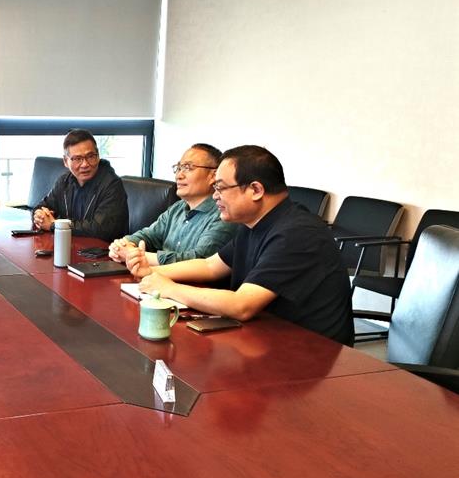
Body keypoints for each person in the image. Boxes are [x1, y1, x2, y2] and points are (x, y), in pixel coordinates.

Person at [128, 145, 354, 345]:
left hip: (307, 352)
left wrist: (170, 288)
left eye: (221, 188)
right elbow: (210, 266)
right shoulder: (255, 223)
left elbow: (242, 305)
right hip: (264, 336)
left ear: (256, 190)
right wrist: (152, 273)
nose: (215, 196)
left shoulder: (297, 233)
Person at [109, 143, 236, 266]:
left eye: (188, 168)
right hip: (155, 276)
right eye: (178, 168)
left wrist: (138, 256)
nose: (179, 176)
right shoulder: (178, 207)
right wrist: (124, 244)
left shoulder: (223, 215)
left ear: (213, 175)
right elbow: (149, 235)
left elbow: (199, 260)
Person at [32, 129, 129, 241]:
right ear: (65, 161)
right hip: (70, 245)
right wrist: (39, 215)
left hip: (103, 250)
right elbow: (43, 206)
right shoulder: (64, 181)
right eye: (78, 159)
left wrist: (54, 225)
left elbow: (100, 229)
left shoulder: (112, 185)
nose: (85, 164)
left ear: (98, 156)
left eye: (90, 156)